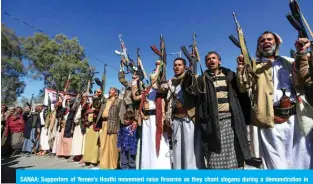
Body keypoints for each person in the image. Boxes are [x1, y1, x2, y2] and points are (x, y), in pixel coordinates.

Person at [236, 31, 313, 169]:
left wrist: (302, 52)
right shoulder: (254, 67)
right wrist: (241, 68)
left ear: (276, 42)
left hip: (294, 120)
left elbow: (305, 79)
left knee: (301, 160)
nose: (266, 42)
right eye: (262, 41)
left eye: (269, 39)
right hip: (270, 120)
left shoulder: (290, 62)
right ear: (259, 47)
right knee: (275, 163)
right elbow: (243, 87)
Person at [183, 51, 251, 169]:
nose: (211, 61)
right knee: (214, 155)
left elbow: (244, 87)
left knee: (235, 154)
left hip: (231, 121)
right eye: (208, 59)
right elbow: (191, 91)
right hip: (212, 123)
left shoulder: (231, 76)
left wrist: (241, 66)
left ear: (219, 61)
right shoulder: (201, 79)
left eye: (214, 58)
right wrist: (190, 72)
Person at [157, 58, 197, 169]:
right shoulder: (171, 82)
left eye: (179, 65)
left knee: (190, 149)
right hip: (175, 119)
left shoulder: (191, 78)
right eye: (175, 65)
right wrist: (159, 69)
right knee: (177, 148)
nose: (177, 67)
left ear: (184, 66)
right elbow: (158, 87)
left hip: (189, 118)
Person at [136, 60, 172, 169]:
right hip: (147, 120)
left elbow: (155, 81)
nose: (153, 75)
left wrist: (159, 66)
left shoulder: (163, 88)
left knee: (159, 143)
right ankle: (147, 167)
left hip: (158, 119)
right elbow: (140, 100)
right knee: (147, 144)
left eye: (155, 73)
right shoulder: (147, 90)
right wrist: (141, 112)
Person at [97, 87, 122, 169]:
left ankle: (113, 165)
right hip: (104, 124)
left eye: (112, 90)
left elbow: (120, 115)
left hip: (113, 125)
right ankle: (104, 165)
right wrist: (99, 95)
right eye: (109, 89)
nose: (109, 90)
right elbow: (98, 102)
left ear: (115, 93)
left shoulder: (119, 101)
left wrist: (118, 127)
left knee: (113, 147)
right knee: (103, 145)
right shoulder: (105, 101)